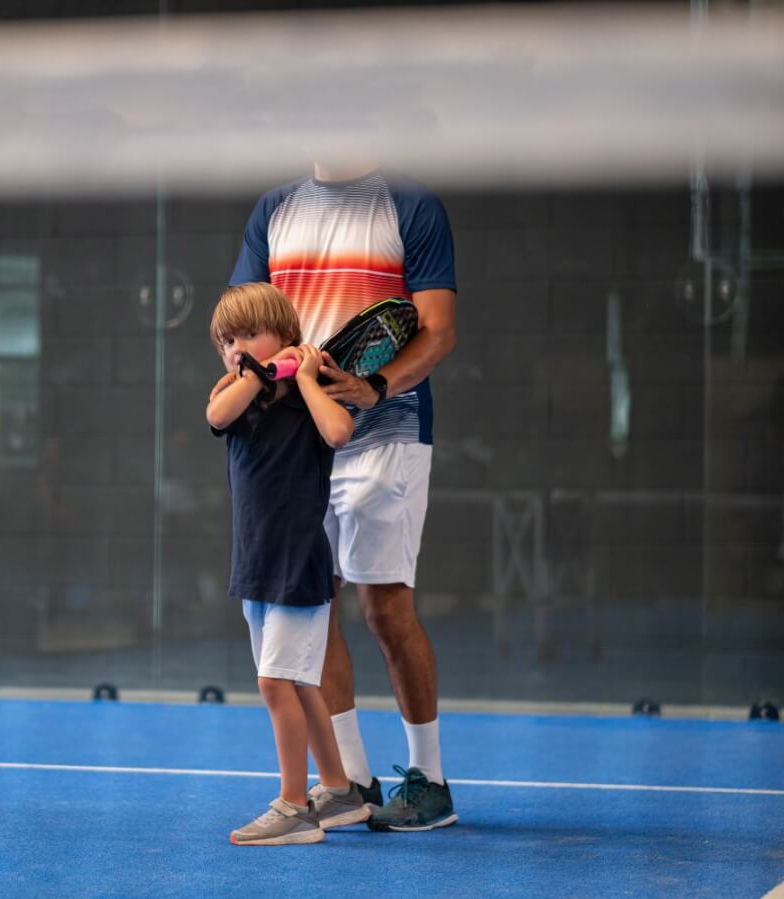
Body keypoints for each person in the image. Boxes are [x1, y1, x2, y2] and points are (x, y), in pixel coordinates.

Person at [229, 161, 459, 832]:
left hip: (386, 431)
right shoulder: (274, 207)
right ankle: (352, 780)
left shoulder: (411, 203)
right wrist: (269, 376)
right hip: (300, 438)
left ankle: (431, 780)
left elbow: (438, 329)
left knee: (385, 606)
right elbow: (240, 324)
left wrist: (377, 385)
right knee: (311, 601)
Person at [205, 283, 367, 846]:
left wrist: (301, 376)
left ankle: (296, 807)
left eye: (249, 334)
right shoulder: (236, 391)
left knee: (277, 683)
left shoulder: (310, 391)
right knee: (298, 685)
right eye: (227, 339)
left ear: (286, 337)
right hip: (255, 565)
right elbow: (217, 413)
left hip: (299, 564)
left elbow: (340, 431)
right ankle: (340, 792)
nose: (236, 347)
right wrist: (254, 370)